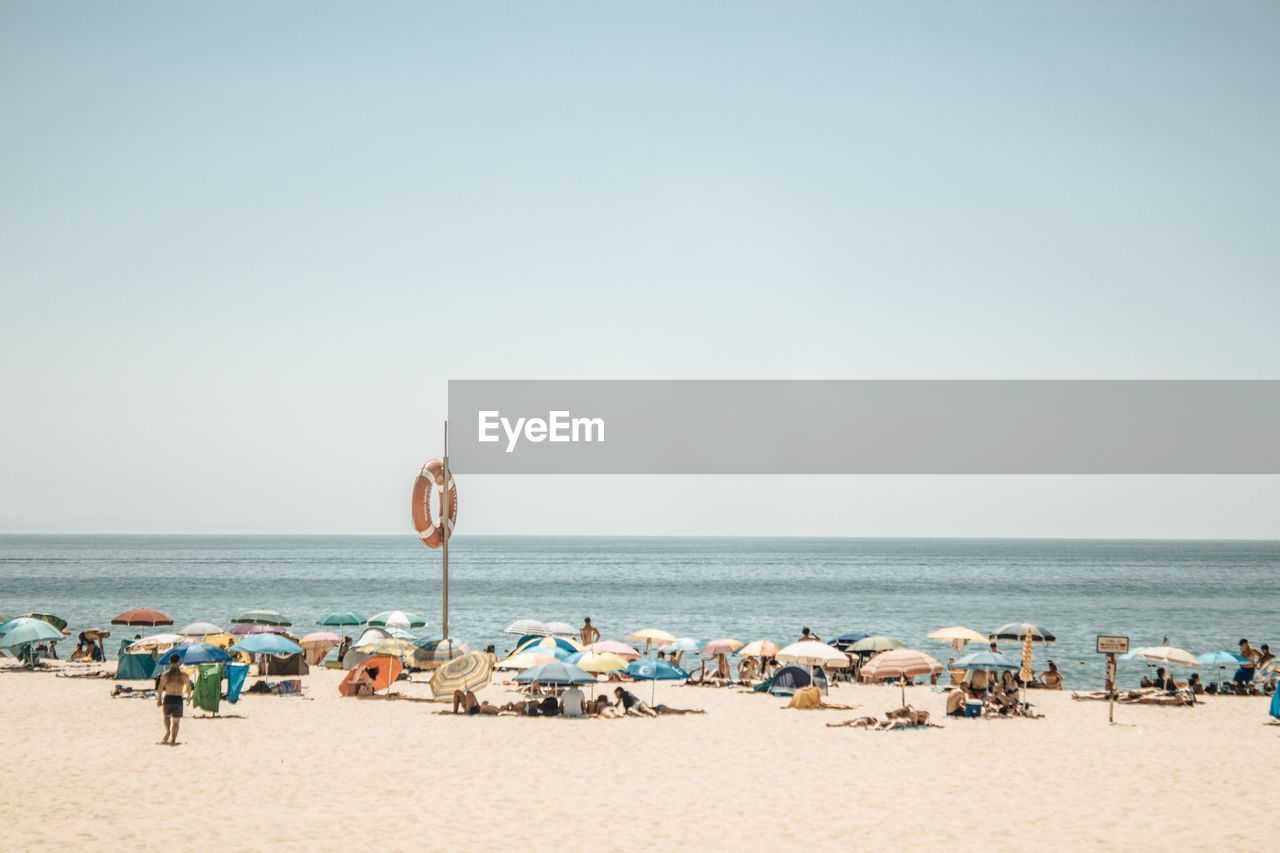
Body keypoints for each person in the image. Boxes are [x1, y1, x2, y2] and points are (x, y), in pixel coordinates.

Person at [156, 653, 193, 745]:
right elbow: (188, 687)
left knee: (166, 717)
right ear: (179, 662)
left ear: (170, 662)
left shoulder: (165, 674)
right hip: (178, 699)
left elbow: (160, 687)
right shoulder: (184, 675)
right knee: (176, 721)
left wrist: (159, 699)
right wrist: (188, 697)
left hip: (168, 698)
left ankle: (168, 732)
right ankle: (173, 740)